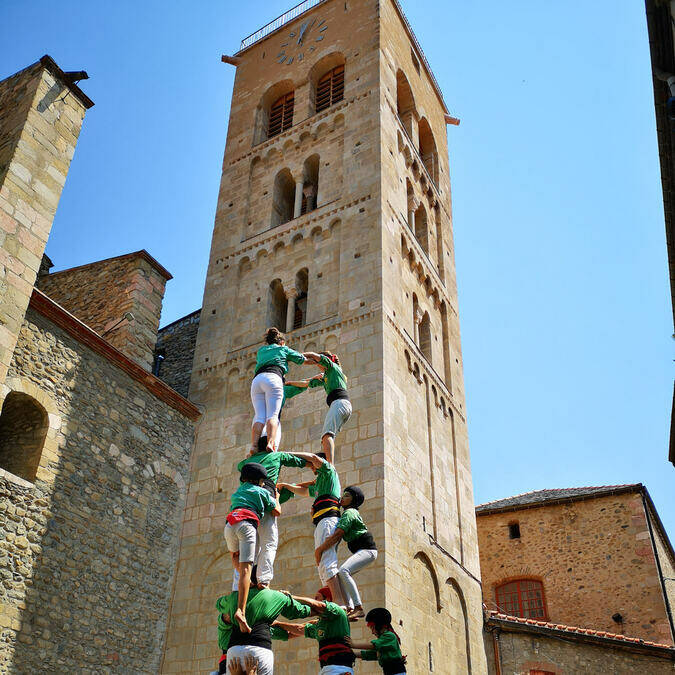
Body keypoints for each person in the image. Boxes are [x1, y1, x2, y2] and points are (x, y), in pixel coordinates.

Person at [233, 435, 308, 590]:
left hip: (247, 507)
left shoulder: (246, 463)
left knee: (253, 545)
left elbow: (240, 466)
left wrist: (251, 455)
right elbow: (300, 462)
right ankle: (263, 580)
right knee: (269, 542)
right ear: (271, 445)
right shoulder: (276, 455)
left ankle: (247, 580)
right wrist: (315, 462)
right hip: (266, 499)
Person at [215, 586, 330, 675]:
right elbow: (292, 630)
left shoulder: (230, 622)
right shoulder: (262, 621)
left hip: (232, 661)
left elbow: (290, 633)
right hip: (251, 653)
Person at [277, 452, 344, 603]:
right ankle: (332, 600)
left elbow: (313, 458)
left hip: (327, 520)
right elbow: (305, 491)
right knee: (321, 564)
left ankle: (340, 603)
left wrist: (286, 455)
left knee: (326, 561)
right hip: (322, 522)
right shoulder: (322, 482)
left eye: (313, 466)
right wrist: (287, 486)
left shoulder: (328, 471)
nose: (311, 468)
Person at [224, 462, 280, 632]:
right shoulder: (262, 492)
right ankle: (241, 611)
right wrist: (276, 496)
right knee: (246, 571)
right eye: (262, 481)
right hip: (246, 526)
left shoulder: (238, 491)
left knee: (235, 557)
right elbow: (277, 511)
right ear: (258, 480)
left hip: (229, 525)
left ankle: (247, 583)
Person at [314, 486, 377, 619]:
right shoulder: (347, 513)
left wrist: (320, 549)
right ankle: (350, 609)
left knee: (343, 571)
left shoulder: (350, 513)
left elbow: (337, 535)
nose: (343, 498)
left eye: (347, 496)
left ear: (353, 500)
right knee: (341, 576)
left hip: (367, 549)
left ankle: (358, 607)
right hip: (362, 550)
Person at [250, 327, 311, 453]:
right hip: (273, 377)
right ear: (282, 342)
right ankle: (271, 443)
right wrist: (317, 361)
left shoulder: (261, 351)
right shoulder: (283, 348)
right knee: (273, 415)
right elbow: (302, 360)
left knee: (259, 416)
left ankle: (254, 446)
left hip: (257, 381)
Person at [304, 351, 351, 463]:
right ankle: (326, 461)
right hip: (343, 406)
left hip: (339, 403)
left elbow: (314, 355)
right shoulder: (328, 376)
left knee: (326, 436)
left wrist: (293, 355)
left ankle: (330, 466)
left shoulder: (332, 367)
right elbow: (306, 383)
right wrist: (288, 383)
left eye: (318, 363)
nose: (318, 365)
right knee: (326, 440)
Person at [300, 586, 355, 675]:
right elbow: (299, 629)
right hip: (326, 669)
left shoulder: (337, 611)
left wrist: (291, 598)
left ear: (328, 599)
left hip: (339, 669)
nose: (315, 600)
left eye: (317, 598)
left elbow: (316, 605)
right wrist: (277, 624)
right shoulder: (321, 625)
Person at [350, 608, 406, 674]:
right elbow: (371, 654)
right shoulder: (383, 642)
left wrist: (353, 644)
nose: (372, 632)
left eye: (372, 628)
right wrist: (352, 654)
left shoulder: (390, 636)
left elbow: (373, 646)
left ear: (379, 626)